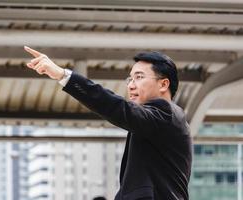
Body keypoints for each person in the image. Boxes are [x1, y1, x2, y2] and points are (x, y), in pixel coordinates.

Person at [24, 46, 192, 200]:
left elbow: (116, 107)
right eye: (130, 79)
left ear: (164, 84)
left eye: (139, 77)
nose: (131, 86)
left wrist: (63, 75)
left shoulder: (166, 113)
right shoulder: (155, 121)